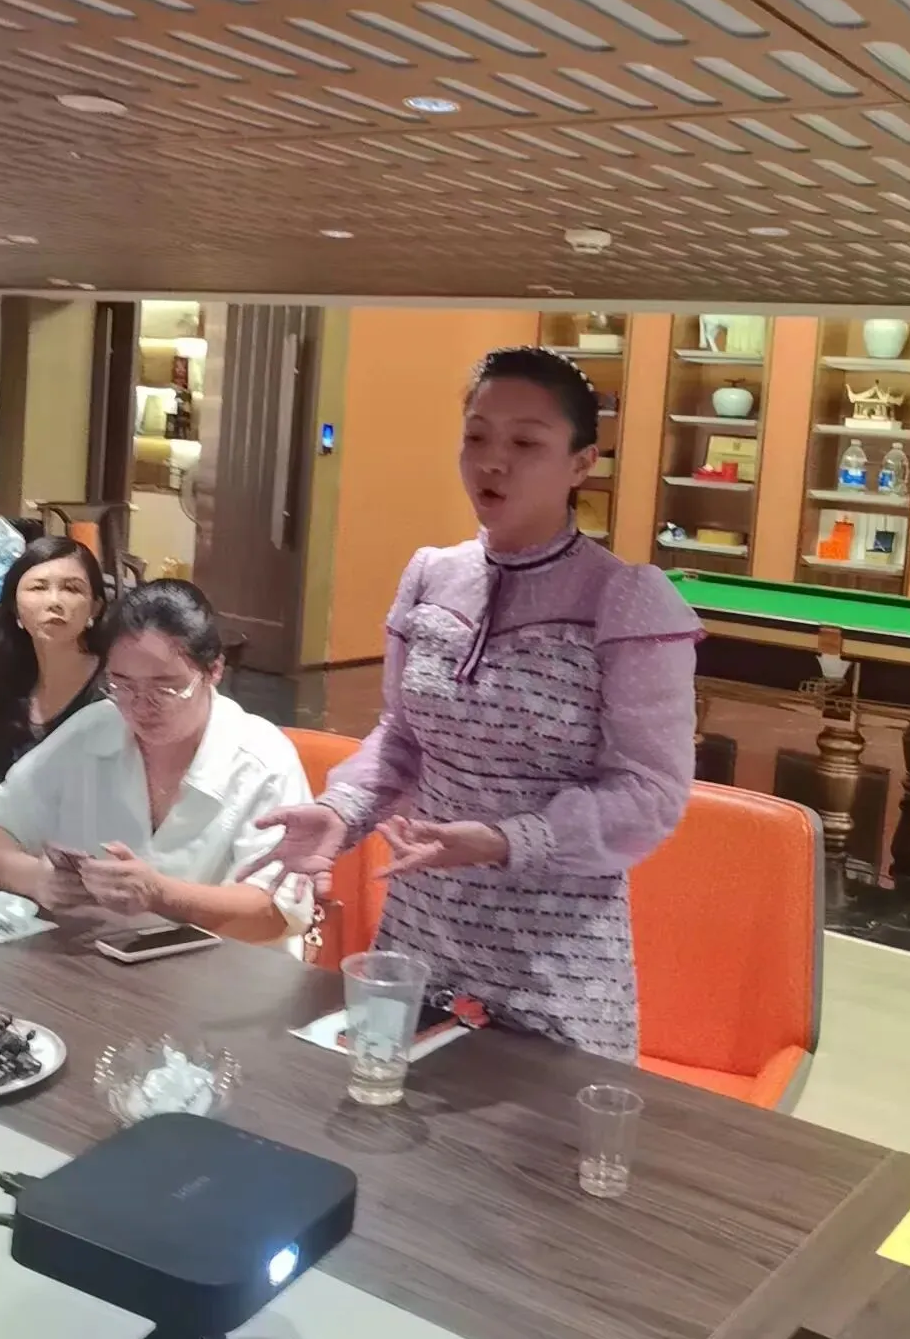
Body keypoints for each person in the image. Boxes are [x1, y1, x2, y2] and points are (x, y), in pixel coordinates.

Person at [249, 345, 701, 1057]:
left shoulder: (625, 599)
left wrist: (506, 840)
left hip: (556, 950)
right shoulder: (433, 575)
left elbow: (649, 794)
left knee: (532, 1127)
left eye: (526, 443)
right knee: (391, 1113)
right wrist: (340, 810)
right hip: (422, 923)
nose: (493, 462)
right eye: (477, 436)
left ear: (582, 462)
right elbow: (403, 736)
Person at [0, 579, 312, 947]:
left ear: (214, 670)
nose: (141, 705)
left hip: (228, 972)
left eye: (166, 687)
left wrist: (159, 894)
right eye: (122, 684)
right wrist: (37, 879)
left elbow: (275, 912)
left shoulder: (261, 759)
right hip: (101, 965)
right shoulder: (95, 729)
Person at [0, 536, 107, 799]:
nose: (54, 601)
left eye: (71, 589)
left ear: (95, 608)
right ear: (15, 608)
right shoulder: (3, 684)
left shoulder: (116, 690)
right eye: (38, 588)